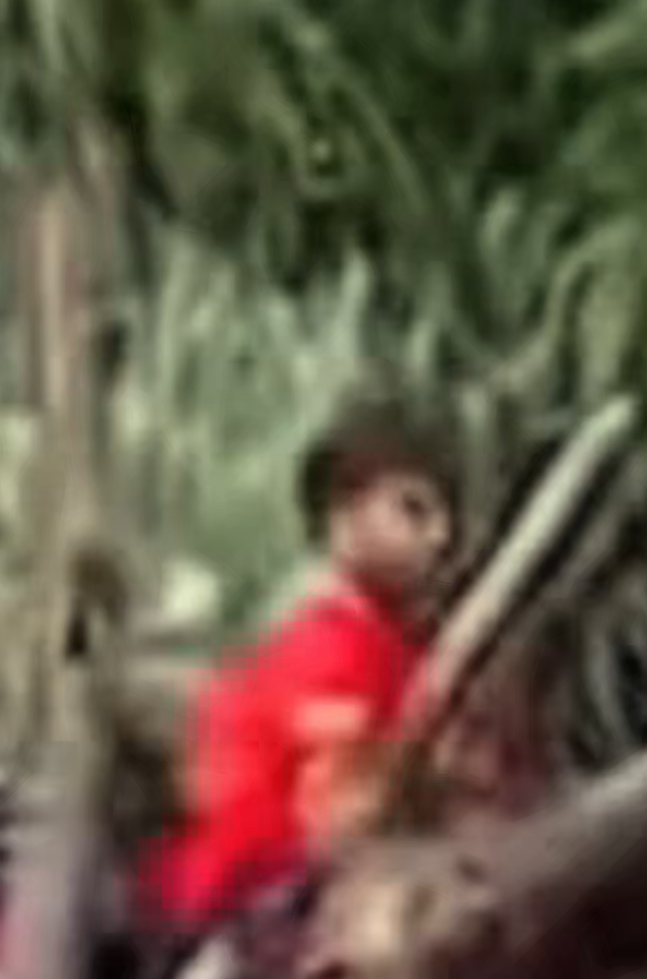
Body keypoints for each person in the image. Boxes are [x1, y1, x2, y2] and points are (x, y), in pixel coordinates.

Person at [150, 403, 463, 950]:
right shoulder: (323, 649)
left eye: (443, 516)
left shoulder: (395, 645)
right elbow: (339, 817)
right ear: (341, 521)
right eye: (411, 510)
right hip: (256, 909)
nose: (439, 537)